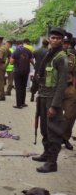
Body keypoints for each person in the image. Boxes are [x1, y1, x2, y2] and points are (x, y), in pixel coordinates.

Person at [32, 27, 69, 173]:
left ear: (62, 41)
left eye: (58, 39)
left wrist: (54, 105)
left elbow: (62, 84)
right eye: (53, 38)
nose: (55, 40)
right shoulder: (50, 54)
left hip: (53, 98)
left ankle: (52, 163)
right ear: (49, 39)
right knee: (44, 129)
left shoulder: (61, 58)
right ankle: (46, 154)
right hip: (43, 96)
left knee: (53, 130)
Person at [61, 32, 76, 150]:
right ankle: (53, 139)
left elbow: (74, 74)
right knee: (53, 115)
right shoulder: (51, 55)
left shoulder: (72, 57)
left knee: (70, 115)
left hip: (69, 88)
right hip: (55, 89)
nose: (65, 45)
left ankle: (65, 138)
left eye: (67, 43)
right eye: (64, 42)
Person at [10, 40, 34, 108]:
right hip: (26, 71)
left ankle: (18, 104)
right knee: (23, 87)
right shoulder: (28, 50)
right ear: (22, 44)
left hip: (17, 72)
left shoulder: (16, 51)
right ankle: (23, 103)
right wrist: (35, 66)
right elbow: (31, 60)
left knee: (18, 88)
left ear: (17, 44)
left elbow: (11, 62)